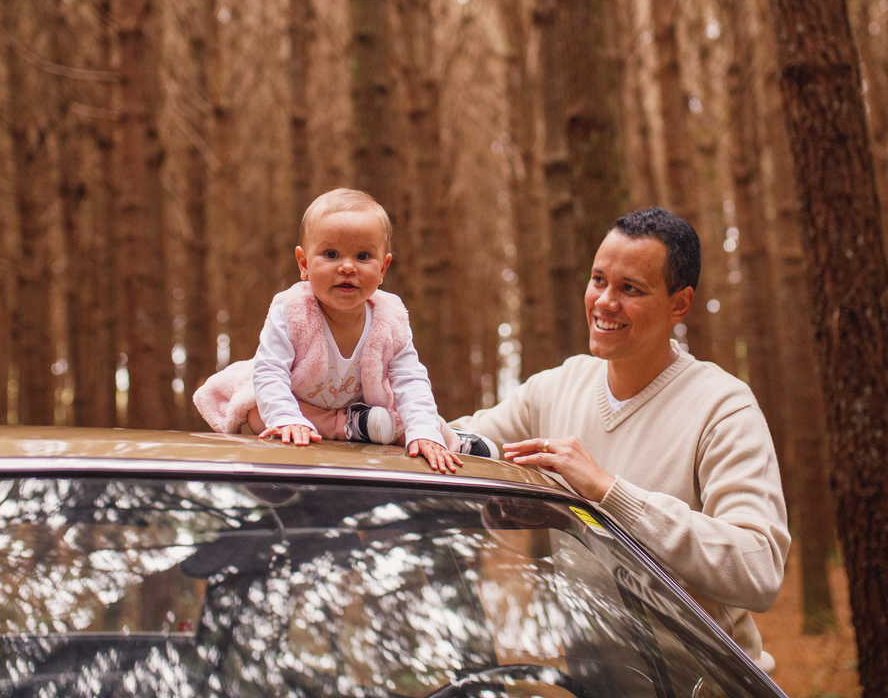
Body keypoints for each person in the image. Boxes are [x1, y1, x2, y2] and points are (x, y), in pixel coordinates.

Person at [451, 206, 790, 672]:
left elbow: (760, 569)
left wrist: (609, 492)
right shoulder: (556, 388)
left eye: (630, 289)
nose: (605, 302)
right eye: (598, 280)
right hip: (593, 682)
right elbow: (452, 443)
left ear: (679, 304)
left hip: (709, 685)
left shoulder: (723, 407)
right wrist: (360, 418)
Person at [193, 188, 496, 474]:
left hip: (365, 407)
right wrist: (286, 419)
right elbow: (270, 372)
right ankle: (345, 426)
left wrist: (427, 434)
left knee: (409, 422)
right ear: (304, 264)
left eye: (363, 256)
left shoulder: (389, 318)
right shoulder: (292, 311)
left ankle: (453, 441)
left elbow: (411, 380)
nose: (347, 267)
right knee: (259, 415)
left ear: (383, 269)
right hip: (302, 404)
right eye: (331, 254)